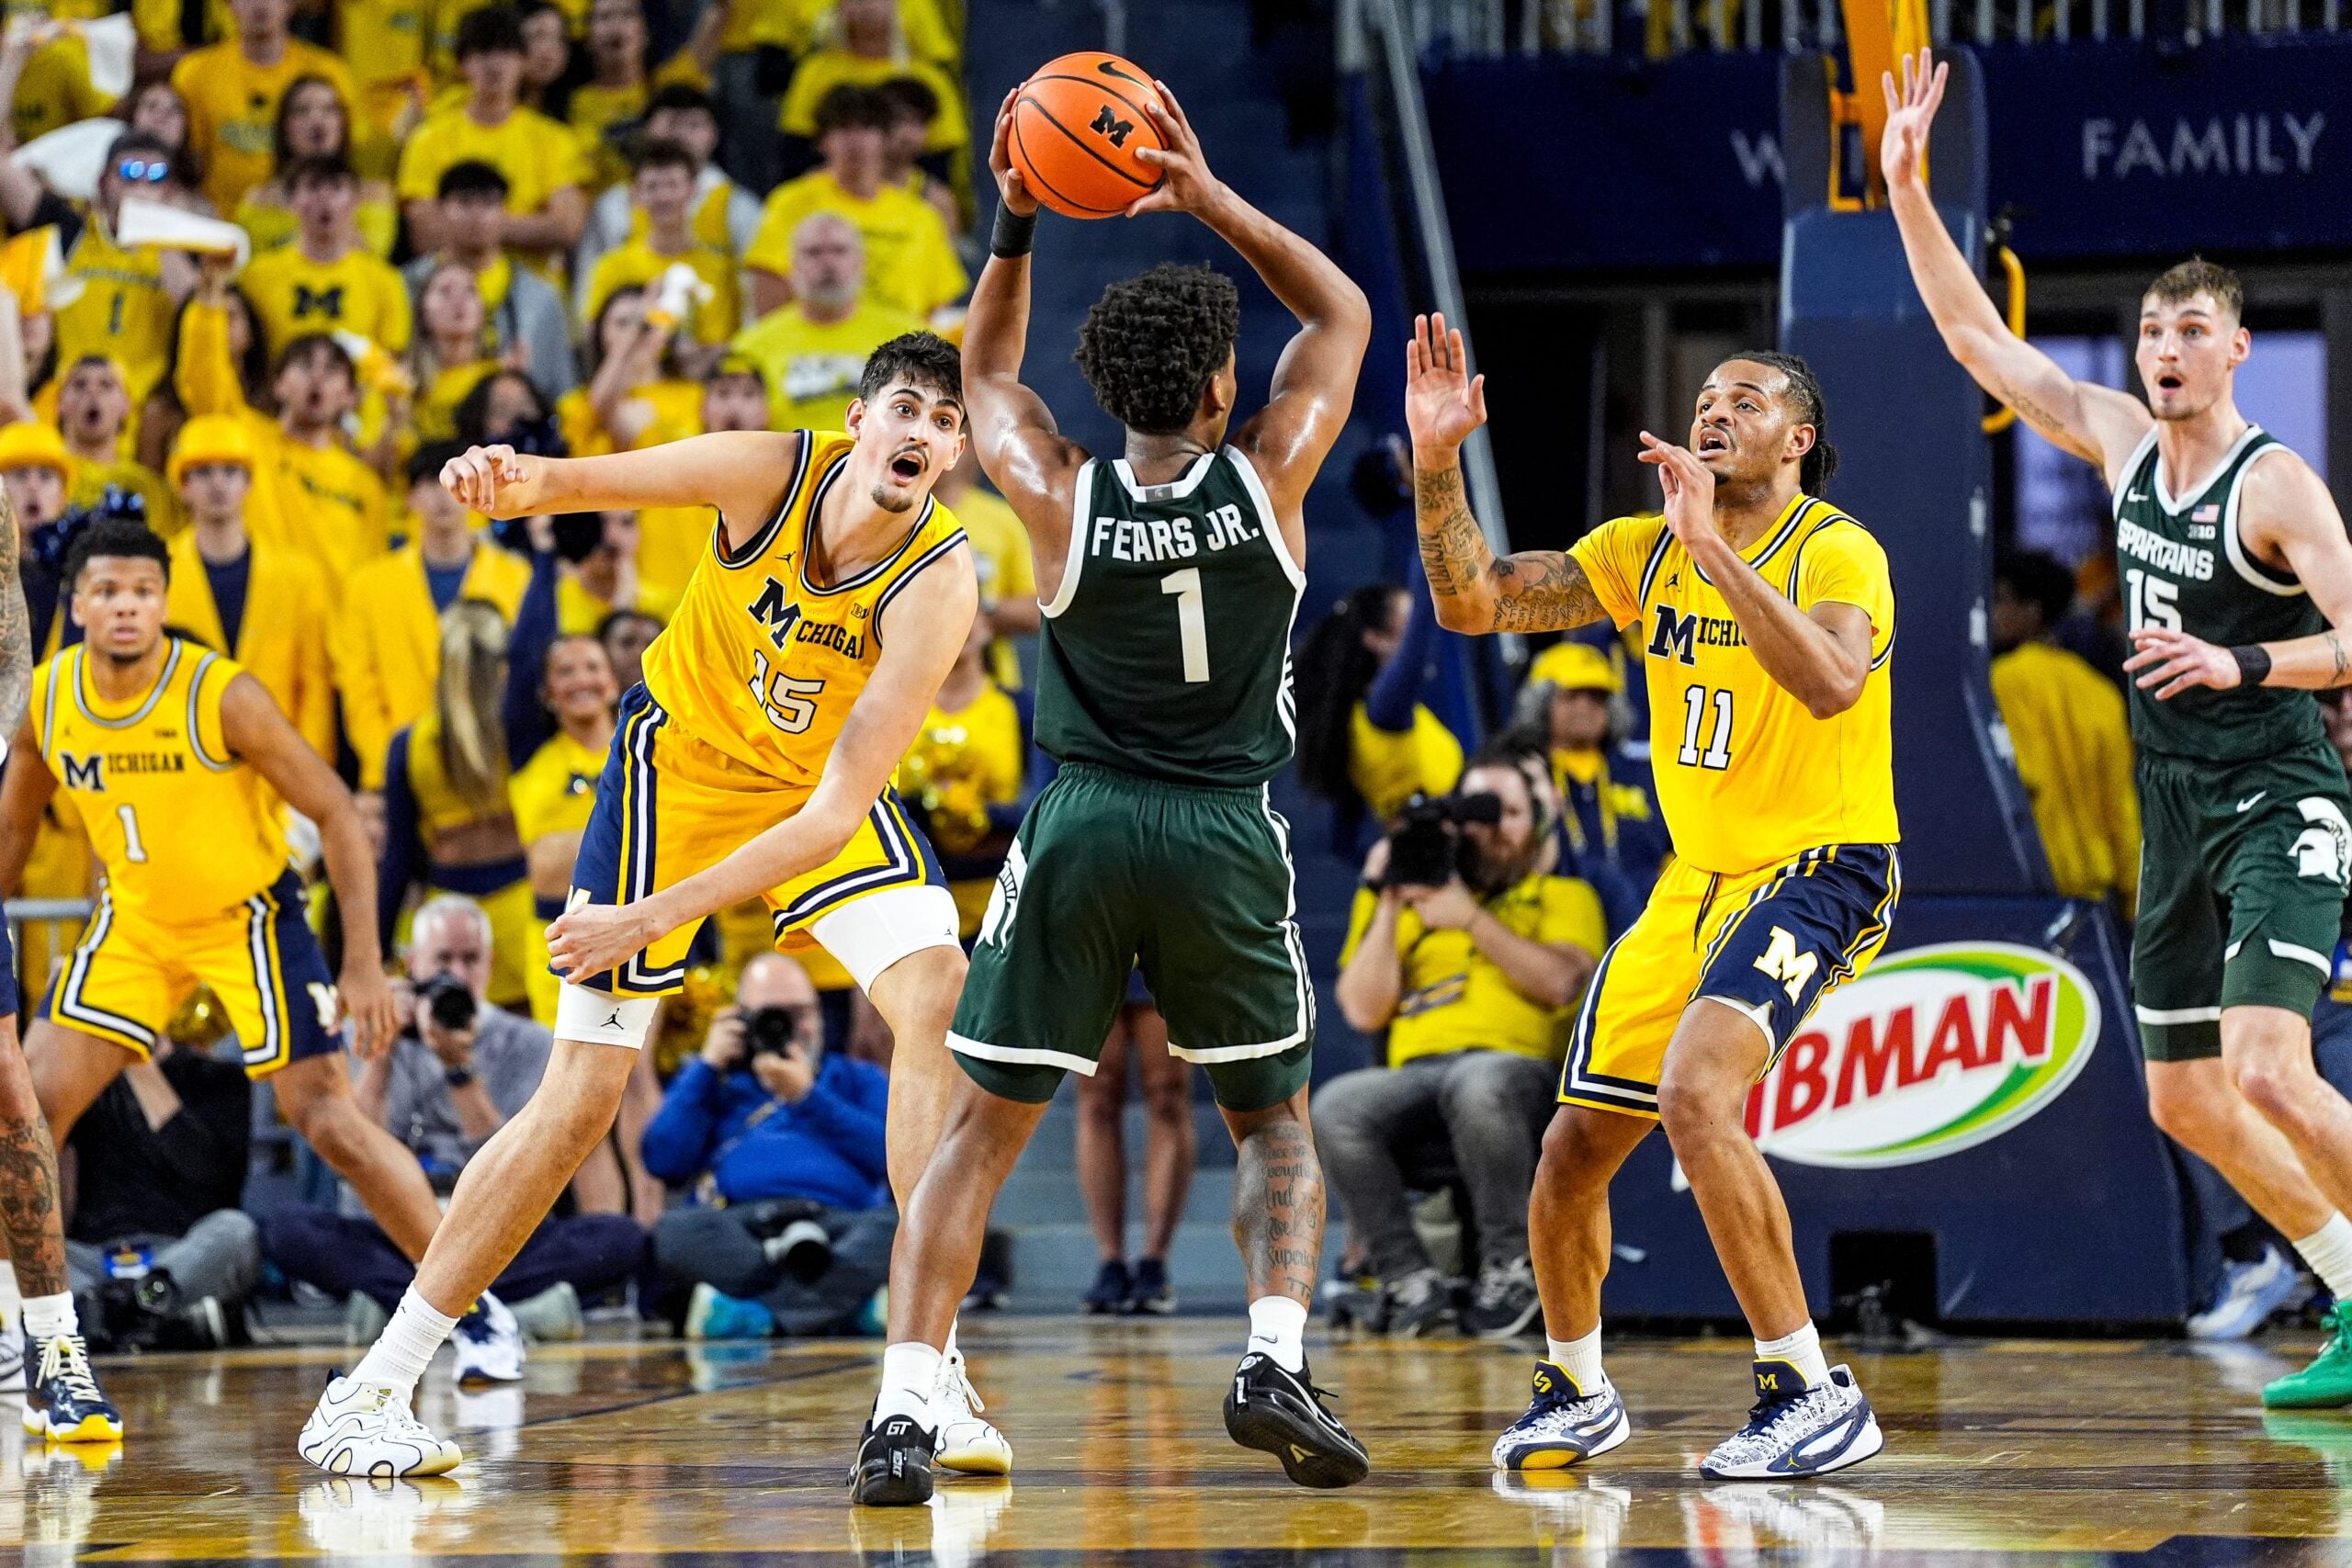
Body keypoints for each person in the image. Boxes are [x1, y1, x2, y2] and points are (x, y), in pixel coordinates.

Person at [302, 332, 992, 1481]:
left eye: (944, 422)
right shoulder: (764, 468)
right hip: (671, 772)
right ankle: (374, 1388)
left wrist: (652, 914)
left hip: (806, 794)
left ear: (956, 451)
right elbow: (572, 482)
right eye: (906, 409)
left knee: (938, 991)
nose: (921, 433)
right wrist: (495, 478)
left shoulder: (942, 578)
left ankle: (927, 1375)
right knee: (579, 1102)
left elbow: (831, 817)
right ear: (859, 421)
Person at [861, 84, 1374, 1506]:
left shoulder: (1053, 485)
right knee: (1272, 1121)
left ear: (1107, 392)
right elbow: (1338, 319)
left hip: (1081, 821)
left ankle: (908, 1404)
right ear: (1222, 391)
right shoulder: (1274, 475)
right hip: (1222, 833)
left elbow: (979, 375)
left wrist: (1019, 206)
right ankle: (1272, 1352)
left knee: (980, 1128)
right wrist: (1206, 193)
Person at [1886, 50, 2352, 1411]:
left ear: (2236, 348)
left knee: (2270, 1063)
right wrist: (1912, 193)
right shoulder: (2118, 438)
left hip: (2280, 798)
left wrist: (2240, 657)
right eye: (2152, 333)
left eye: (2190, 334)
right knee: (2185, 1100)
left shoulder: (2276, 485)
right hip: (2179, 814)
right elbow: (1977, 340)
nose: (2163, 352)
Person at [1409, 314, 1901, 1477]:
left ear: (1798, 436)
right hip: (1696, 885)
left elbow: (1832, 683)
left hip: (1824, 864)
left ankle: (1808, 1387)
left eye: (1744, 398)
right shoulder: (1642, 549)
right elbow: (1473, 600)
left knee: (1695, 1092)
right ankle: (1575, 1387)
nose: (1713, 411)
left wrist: (1714, 551)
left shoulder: (1838, 553)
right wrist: (1437, 462)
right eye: (1704, 399)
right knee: (1572, 1149)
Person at [0, 520, 415, 1443]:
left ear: (164, 602)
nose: (126, 606)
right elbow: (16, 833)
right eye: (108, 590)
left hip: (250, 920)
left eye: (144, 591)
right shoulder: (51, 697)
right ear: (76, 603)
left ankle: (471, 1307)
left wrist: (361, 961)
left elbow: (337, 810)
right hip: (137, 926)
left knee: (332, 1123)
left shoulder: (221, 694)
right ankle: (41, 1343)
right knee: (22, 1112)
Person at [267, 896, 645, 1368]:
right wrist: (381, 1053)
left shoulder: (527, 1042)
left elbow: (526, 1161)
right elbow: (355, 1147)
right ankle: (503, 1314)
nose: (458, 974)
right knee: (288, 1230)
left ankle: (406, 1310)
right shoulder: (364, 1033)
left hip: (495, 1236)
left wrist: (459, 1069)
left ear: (489, 966)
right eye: (443, 959)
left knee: (618, 1237)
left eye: (470, 960)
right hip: (394, 1227)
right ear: (412, 963)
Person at [1327, 753, 1603, 1339]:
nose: (1494, 827)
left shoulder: (1563, 895)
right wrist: (1391, 900)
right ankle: (1407, 1278)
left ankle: (1512, 1267)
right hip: (1417, 1076)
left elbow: (1561, 982)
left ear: (1538, 825)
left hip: (1518, 1073)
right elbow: (1361, 1008)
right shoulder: (1406, 899)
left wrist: (1470, 920)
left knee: (1479, 1084)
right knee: (1337, 1104)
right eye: (1479, 811)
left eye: (1510, 812)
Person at [645, 953, 897, 1337]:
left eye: (800, 1013)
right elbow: (662, 1159)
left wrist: (808, 1097)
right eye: (770, 1015)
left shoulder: (857, 1079)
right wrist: (707, 1065)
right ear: (741, 1020)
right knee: (676, 1229)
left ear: (821, 1014)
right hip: (743, 1230)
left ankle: (755, 1316)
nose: (789, 1028)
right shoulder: (718, 1084)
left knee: (901, 1228)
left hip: (841, 1227)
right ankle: (843, 1309)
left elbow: (895, 1160)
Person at [335, 445, 533, 790]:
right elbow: (358, 687)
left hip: (497, 772)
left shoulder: (516, 577)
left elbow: (524, 678)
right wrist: (394, 764)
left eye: (459, 481)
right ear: (410, 498)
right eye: (431, 484)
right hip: (399, 773)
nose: (445, 495)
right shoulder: (368, 585)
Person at [379, 600, 537, 1012]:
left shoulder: (410, 744)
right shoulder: (521, 729)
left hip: (446, 921)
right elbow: (536, 645)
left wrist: (378, 948)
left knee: (447, 1034)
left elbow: (398, 859)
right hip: (521, 909)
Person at [63, 1026, 258, 1352]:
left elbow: (207, 1174)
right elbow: (56, 1200)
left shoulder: (220, 1077)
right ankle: (141, 1314)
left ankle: (124, 1310)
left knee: (237, 1230)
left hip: (179, 1254)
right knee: (19, 1248)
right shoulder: (80, 1079)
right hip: (93, 1262)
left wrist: (137, 1059)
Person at [162, 413, 338, 760]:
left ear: (248, 483)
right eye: (203, 472)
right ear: (183, 486)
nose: (218, 484)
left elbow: (315, 688)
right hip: (185, 766)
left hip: (279, 771)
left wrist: (308, 775)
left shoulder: (299, 576)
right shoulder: (155, 574)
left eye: (230, 471)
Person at [1988, 547, 2140, 913]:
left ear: (2032, 611)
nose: (1991, 613)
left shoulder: (2004, 681)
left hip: (2034, 885)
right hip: (2099, 892)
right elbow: (2121, 805)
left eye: (2001, 600)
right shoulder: (2100, 690)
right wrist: (2134, 899)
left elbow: (2025, 783)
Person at [744, 85, 966, 325]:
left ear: (885, 139)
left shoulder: (920, 216)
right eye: (842, 128)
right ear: (821, 142)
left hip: (899, 354)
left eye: (867, 128)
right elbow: (767, 289)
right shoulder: (791, 202)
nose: (855, 141)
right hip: (819, 349)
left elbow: (938, 303)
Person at [398, 6, 590, 283]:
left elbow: (565, 228)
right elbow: (425, 236)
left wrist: (470, 227)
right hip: (451, 288)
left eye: (506, 53)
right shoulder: (428, 139)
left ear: (523, 62)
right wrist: (525, 227)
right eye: (482, 53)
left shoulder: (556, 139)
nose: (495, 64)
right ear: (462, 65)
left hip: (533, 290)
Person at [1296, 581, 1464, 844]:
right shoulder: (1384, 712)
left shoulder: (1380, 712)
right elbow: (1419, 639)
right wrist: (1432, 551)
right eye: (1407, 620)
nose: (1415, 634)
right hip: (1427, 852)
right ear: (1375, 639)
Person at [1520, 638, 1666, 931]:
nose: (1585, 707)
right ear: (1542, 702)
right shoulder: (1522, 775)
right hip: (1557, 926)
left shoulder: (1645, 773)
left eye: (1597, 698)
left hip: (1650, 924)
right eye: (1572, 696)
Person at [511, 635, 620, 1026]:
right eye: (565, 671)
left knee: (637, 1076)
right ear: (547, 693)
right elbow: (548, 868)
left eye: (592, 667)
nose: (581, 680)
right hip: (559, 938)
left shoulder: (642, 752)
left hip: (638, 932)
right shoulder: (534, 763)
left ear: (612, 682)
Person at [730, 212, 922, 435]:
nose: (828, 263)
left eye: (839, 251)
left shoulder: (911, 340)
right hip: (789, 466)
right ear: (792, 265)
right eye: (813, 252)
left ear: (861, 261)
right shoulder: (750, 346)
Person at [403, 162, 579, 402]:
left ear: (505, 213)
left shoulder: (541, 296)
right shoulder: (407, 286)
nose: (477, 216)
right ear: (440, 211)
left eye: (489, 203)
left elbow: (562, 388)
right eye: (464, 203)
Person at [169, 0, 358, 215]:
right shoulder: (195, 72)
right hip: (218, 224)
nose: (261, 4)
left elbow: (348, 155)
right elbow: (189, 162)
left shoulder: (331, 72)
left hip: (303, 221)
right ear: (228, 4)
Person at [237, 154, 413, 368]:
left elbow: (392, 362)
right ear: (290, 202)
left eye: (336, 188)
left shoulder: (385, 279)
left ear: (356, 201)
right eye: (312, 187)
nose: (324, 198)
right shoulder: (256, 276)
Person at [574, 85, 763, 282]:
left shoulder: (739, 206)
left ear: (714, 134)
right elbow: (588, 280)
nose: (682, 135)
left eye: (694, 125)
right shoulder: (612, 205)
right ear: (647, 130)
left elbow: (752, 285)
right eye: (672, 123)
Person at [578, 140, 740, 369]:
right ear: (636, 195)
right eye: (652, 187)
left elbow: (721, 345)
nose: (663, 197)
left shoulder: (718, 268)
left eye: (672, 185)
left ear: (693, 191)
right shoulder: (611, 266)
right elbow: (594, 339)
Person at [775, 0, 967, 172]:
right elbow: (796, 150)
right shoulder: (814, 72)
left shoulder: (929, 79)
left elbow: (941, 161)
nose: (868, 6)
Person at [232, 77, 401, 260]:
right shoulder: (258, 200)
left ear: (342, 125)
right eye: (302, 111)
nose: (317, 120)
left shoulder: (375, 193)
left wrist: (339, 208)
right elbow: (253, 273)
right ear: (284, 128)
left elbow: (372, 266)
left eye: (329, 110)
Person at [53, 356, 177, 537]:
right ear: (59, 404)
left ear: (127, 404)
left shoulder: (147, 488)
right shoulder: (43, 478)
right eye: (79, 384)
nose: (92, 392)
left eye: (106, 385)